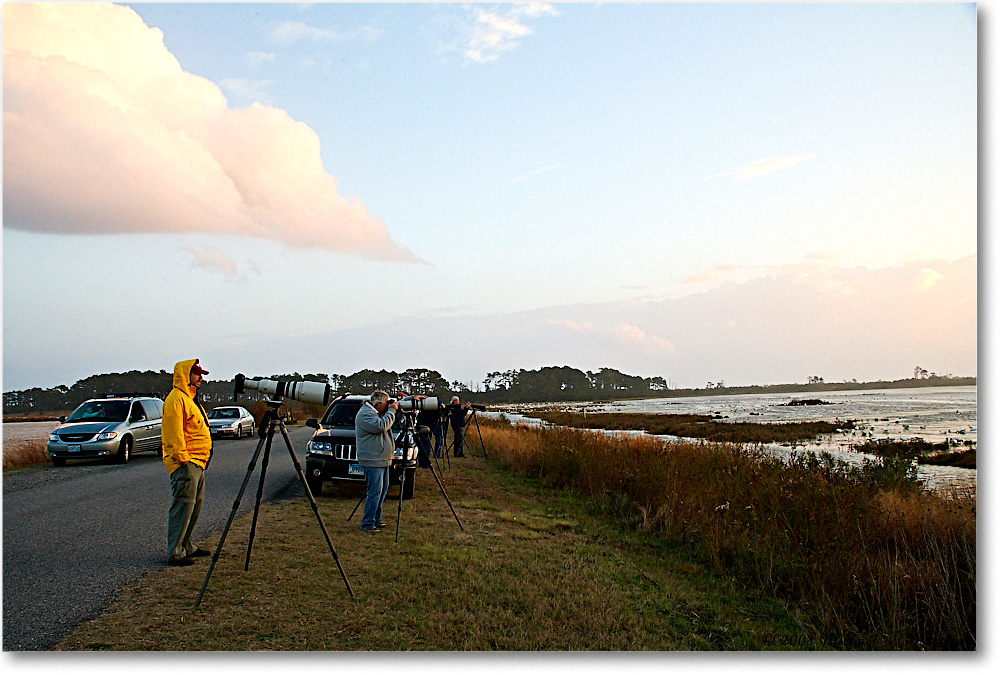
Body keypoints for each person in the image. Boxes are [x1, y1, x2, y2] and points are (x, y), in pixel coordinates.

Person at [162, 359, 214, 566]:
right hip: (186, 464)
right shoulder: (176, 399)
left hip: (198, 464)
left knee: (195, 507)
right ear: (185, 375)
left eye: (201, 374)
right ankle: (176, 551)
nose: (200, 377)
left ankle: (187, 545)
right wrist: (183, 460)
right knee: (183, 508)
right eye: (196, 374)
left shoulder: (191, 400)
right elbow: (173, 434)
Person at [355, 390, 398, 533]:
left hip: (381, 459)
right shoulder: (365, 414)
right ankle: (367, 523)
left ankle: (376, 519)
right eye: (386, 403)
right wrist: (391, 412)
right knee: (375, 492)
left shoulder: (375, 412)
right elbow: (381, 426)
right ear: (378, 403)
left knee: (382, 491)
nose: (388, 406)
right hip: (373, 459)